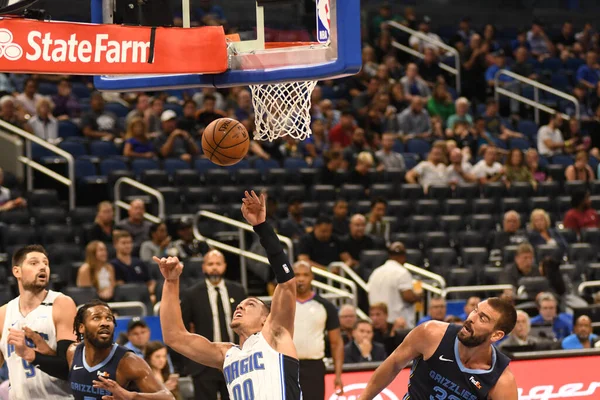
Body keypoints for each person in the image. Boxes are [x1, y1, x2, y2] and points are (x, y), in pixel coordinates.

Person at [157, 190, 304, 399]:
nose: (240, 307)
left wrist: (261, 226)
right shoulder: (226, 354)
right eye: (240, 305)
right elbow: (174, 336)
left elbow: (287, 282)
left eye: (250, 304)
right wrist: (171, 282)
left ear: (266, 319)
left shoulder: (275, 334)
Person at [360, 298, 518, 399]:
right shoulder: (432, 334)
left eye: (482, 318)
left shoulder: (501, 382)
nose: (471, 319)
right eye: (475, 310)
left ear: (496, 336)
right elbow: (394, 363)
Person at [20, 300, 175, 399]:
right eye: (96, 318)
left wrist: (131, 396)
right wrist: (42, 350)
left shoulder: (128, 361)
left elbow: (168, 397)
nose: (105, 322)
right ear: (81, 327)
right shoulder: (73, 352)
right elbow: (73, 374)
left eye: (108, 318)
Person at [1, 245, 77, 399]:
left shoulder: (61, 304)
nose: (42, 267)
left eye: (46, 263)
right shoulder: (3, 313)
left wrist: (30, 354)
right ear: (17, 271)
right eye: (34, 263)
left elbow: (68, 368)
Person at [180, 249, 247, 400]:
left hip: (235, 360)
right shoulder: (192, 294)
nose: (214, 267)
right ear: (203, 267)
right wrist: (189, 363)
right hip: (204, 362)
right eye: (210, 264)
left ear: (225, 266)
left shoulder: (238, 291)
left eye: (218, 263)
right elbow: (183, 328)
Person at [293, 261, 344, 399]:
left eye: (305, 275)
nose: (301, 279)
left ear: (312, 277)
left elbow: (336, 343)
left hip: (314, 367)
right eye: (297, 275)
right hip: (287, 365)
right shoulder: (280, 305)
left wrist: (338, 375)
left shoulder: (326, 306)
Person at [367, 242, 422, 328]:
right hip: (397, 324)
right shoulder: (402, 272)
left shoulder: (376, 272)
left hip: (377, 322)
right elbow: (408, 296)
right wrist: (419, 296)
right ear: (403, 257)